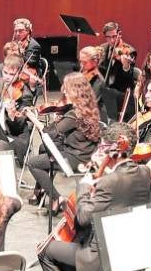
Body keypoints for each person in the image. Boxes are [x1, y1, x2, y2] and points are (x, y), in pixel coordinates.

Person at [38, 123, 151, 271]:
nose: (99, 151)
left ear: (113, 149)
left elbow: (82, 218)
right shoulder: (144, 172)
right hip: (133, 251)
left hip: (105, 257)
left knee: (46, 251)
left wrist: (84, 185)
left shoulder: (109, 182)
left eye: (102, 147)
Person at [27, 72, 101, 212]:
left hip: (77, 158)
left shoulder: (74, 114)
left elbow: (49, 133)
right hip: (84, 151)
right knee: (43, 148)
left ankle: (56, 198)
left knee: (33, 163)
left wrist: (33, 118)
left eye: (67, 88)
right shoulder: (87, 107)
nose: (63, 91)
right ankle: (41, 190)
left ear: (76, 91)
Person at [0, 52, 36, 164]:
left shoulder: (25, 94)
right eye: (5, 72)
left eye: (11, 74)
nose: (7, 77)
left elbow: (20, 126)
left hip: (14, 136)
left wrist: (12, 116)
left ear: (19, 73)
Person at [98, 22, 138, 96]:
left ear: (120, 35)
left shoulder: (130, 51)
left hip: (121, 91)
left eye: (114, 36)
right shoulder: (103, 48)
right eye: (108, 37)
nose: (112, 40)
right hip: (106, 89)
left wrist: (126, 67)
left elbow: (127, 78)